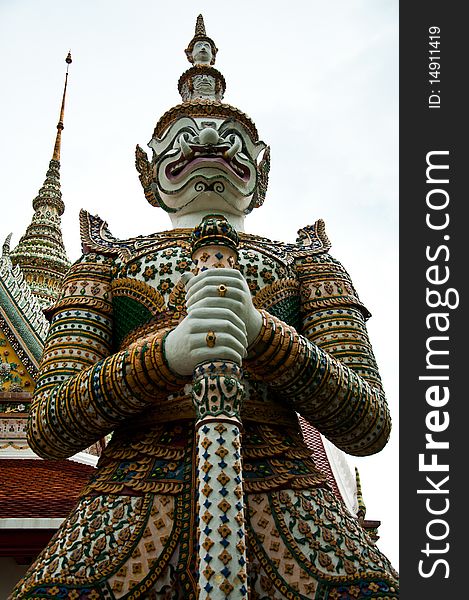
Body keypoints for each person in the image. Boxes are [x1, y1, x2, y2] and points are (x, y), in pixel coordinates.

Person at [12, 15, 398, 600]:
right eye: (183, 142)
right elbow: (49, 425)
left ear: (260, 172)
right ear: (149, 172)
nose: (209, 146)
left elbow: (368, 423)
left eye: (230, 142)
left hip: (286, 491)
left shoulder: (308, 265)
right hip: (130, 495)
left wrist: (265, 334)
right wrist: (164, 356)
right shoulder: (105, 263)